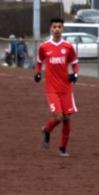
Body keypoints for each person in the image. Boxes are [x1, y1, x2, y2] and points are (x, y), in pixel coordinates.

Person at [34, 17, 79, 158]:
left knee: (67, 118)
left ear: (63, 29)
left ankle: (63, 148)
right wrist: (37, 73)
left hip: (66, 88)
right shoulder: (44, 47)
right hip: (52, 88)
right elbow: (39, 62)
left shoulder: (68, 47)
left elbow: (75, 63)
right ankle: (47, 130)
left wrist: (75, 74)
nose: (57, 29)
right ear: (51, 29)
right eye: (55, 27)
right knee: (58, 117)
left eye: (59, 27)